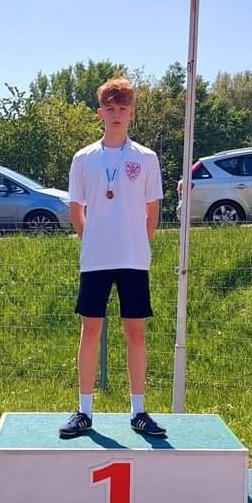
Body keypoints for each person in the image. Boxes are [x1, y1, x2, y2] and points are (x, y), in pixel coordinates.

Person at [58, 77, 165, 439]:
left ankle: (139, 411)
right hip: (95, 260)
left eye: (123, 108)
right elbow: (76, 209)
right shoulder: (84, 158)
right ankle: (84, 411)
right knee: (90, 331)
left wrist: (139, 244)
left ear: (131, 114)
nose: (116, 114)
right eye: (110, 108)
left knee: (135, 332)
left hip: (134, 260)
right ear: (100, 113)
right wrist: (93, 240)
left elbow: (153, 210)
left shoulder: (146, 158)